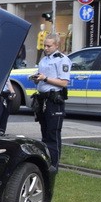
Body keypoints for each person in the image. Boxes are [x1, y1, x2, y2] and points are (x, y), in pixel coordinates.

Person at [31, 33, 71, 168]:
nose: (46, 48)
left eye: (49, 46)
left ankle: (54, 164)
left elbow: (64, 82)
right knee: (44, 132)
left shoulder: (62, 60)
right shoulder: (44, 60)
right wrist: (37, 79)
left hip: (54, 100)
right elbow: (42, 77)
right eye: (44, 45)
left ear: (56, 45)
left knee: (53, 133)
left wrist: (45, 78)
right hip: (42, 99)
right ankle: (46, 162)